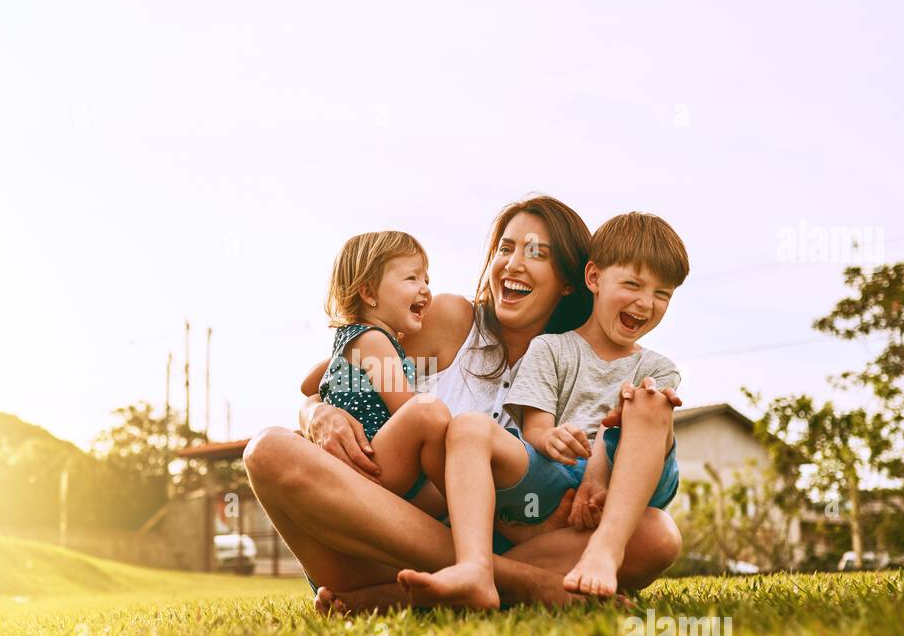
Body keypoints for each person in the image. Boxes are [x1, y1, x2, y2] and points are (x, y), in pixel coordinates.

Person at [242, 195, 684, 614]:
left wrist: (593, 489)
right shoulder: (451, 322)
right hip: (374, 539)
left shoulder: (581, 363)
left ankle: (410, 592)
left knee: (656, 535)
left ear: (570, 282)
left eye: (535, 253)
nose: (513, 263)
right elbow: (343, 367)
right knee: (267, 450)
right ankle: (518, 583)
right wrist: (318, 414)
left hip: (516, 545)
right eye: (505, 248)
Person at [396, 211, 688, 609]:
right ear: (593, 279)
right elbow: (535, 428)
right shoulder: (550, 348)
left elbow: (625, 433)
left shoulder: (657, 368)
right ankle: (475, 569)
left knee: (647, 405)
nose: (645, 302)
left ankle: (605, 550)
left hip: (627, 482)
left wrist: (599, 478)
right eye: (633, 285)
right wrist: (550, 438)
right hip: (556, 480)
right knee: (469, 427)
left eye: (662, 295)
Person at [313, 230, 450, 520]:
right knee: (429, 413)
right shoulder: (374, 341)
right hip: (374, 462)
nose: (425, 288)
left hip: (369, 466)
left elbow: (308, 385)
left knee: (463, 497)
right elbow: (406, 407)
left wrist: (321, 404)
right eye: (412, 278)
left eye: (427, 279)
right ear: (369, 293)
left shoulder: (350, 340)